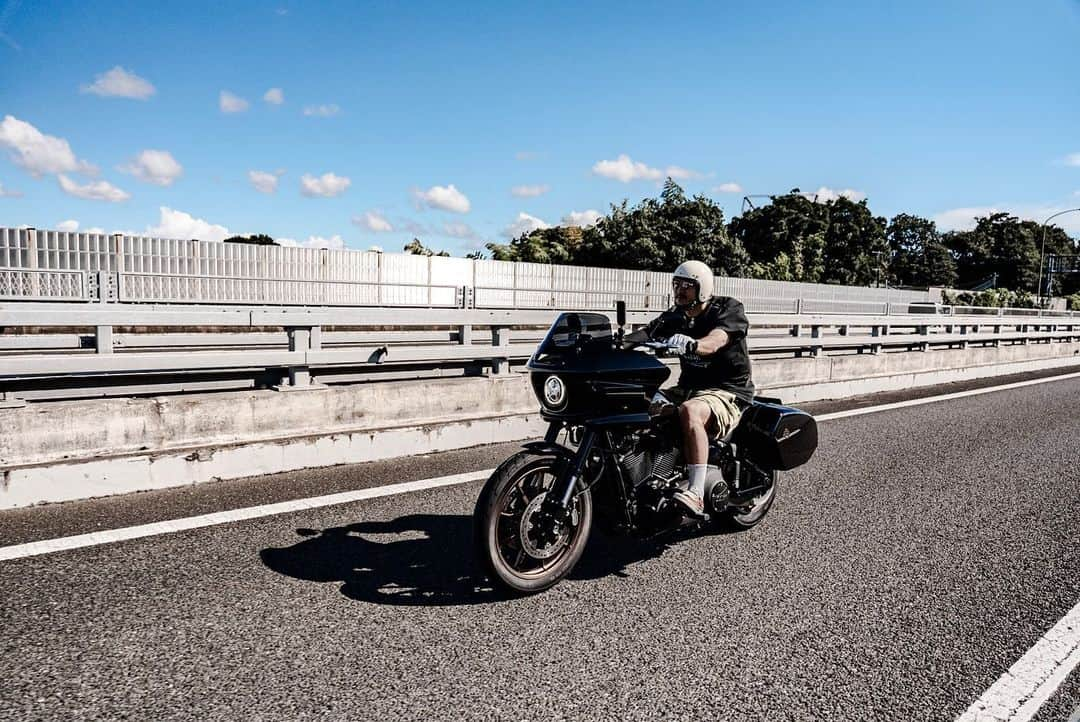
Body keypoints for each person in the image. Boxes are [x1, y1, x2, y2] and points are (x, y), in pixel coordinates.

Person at [624, 260, 755, 517]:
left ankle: (695, 492)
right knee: (637, 406)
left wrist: (694, 345)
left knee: (690, 411)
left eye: (687, 286)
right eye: (676, 284)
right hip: (689, 387)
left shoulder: (727, 308)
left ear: (702, 288)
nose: (679, 290)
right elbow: (646, 333)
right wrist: (615, 344)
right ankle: (644, 480)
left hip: (727, 391)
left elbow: (718, 339)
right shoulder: (675, 316)